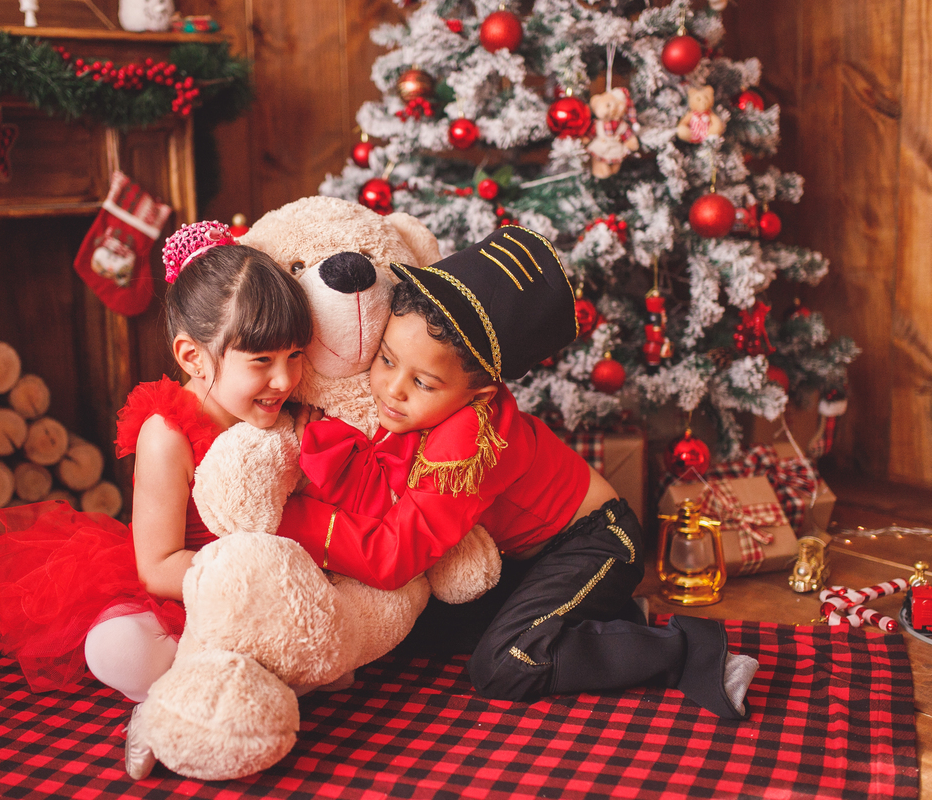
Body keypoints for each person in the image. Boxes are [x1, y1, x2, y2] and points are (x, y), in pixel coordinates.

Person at [278, 225, 759, 720]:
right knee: (419, 628)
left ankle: (691, 651)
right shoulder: (420, 407)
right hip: (523, 554)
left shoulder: (470, 442)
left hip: (598, 542)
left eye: (422, 381)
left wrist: (286, 519)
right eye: (386, 360)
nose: (391, 390)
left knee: (507, 663)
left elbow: (392, 557)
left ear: (478, 396)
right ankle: (604, 618)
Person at [0, 220, 313, 703]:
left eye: (296, 355)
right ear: (193, 357)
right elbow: (156, 567)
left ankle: (248, 673)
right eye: (261, 361)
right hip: (193, 584)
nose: (284, 379)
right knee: (120, 647)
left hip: (278, 573)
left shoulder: (282, 412)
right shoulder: (167, 435)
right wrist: (247, 577)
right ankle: (222, 678)